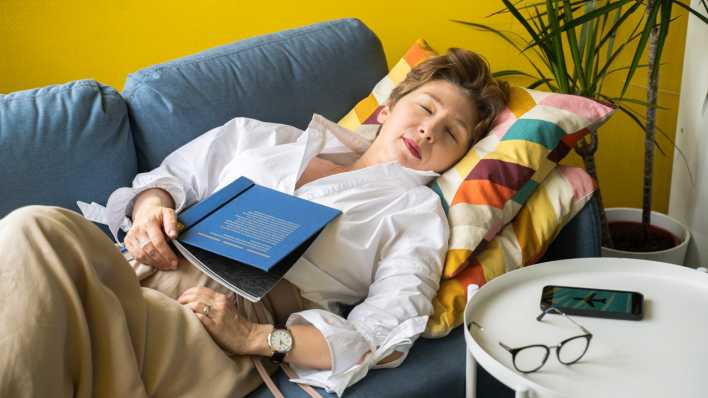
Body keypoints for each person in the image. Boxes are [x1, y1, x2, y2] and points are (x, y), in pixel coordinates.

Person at [0, 48, 508, 397]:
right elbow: (168, 177)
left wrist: (255, 339)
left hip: (215, 320)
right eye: (425, 107)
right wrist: (150, 210)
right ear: (391, 105)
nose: (428, 128)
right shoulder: (261, 136)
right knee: (35, 227)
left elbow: (385, 330)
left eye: (451, 133)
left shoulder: (415, 214)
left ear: (454, 159)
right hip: (136, 267)